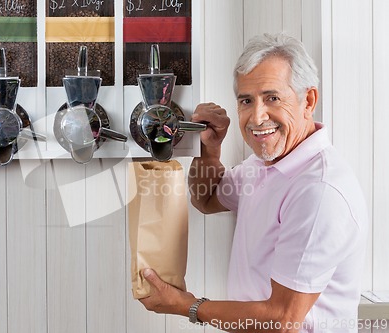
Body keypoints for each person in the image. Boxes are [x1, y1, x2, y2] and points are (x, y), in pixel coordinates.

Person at [139, 33, 368, 332]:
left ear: (308, 100)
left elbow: (282, 320)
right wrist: (210, 148)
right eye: (247, 100)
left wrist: (187, 306)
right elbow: (206, 199)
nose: (257, 117)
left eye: (272, 98)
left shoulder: (319, 191)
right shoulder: (264, 163)